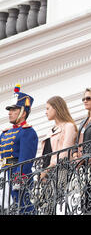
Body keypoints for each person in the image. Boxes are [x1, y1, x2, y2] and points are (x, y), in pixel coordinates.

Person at [0, 84, 38, 214]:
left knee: (23, 207)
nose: (10, 113)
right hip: (4, 173)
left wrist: (19, 178)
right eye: (9, 110)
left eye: (14, 110)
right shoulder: (5, 133)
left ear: (23, 112)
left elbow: (25, 158)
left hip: (17, 175)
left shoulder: (27, 132)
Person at [40, 95, 77, 214]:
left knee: (56, 200)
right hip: (47, 172)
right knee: (45, 204)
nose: (46, 112)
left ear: (56, 108)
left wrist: (49, 168)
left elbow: (65, 151)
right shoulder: (50, 130)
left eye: (48, 108)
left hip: (60, 169)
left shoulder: (68, 126)